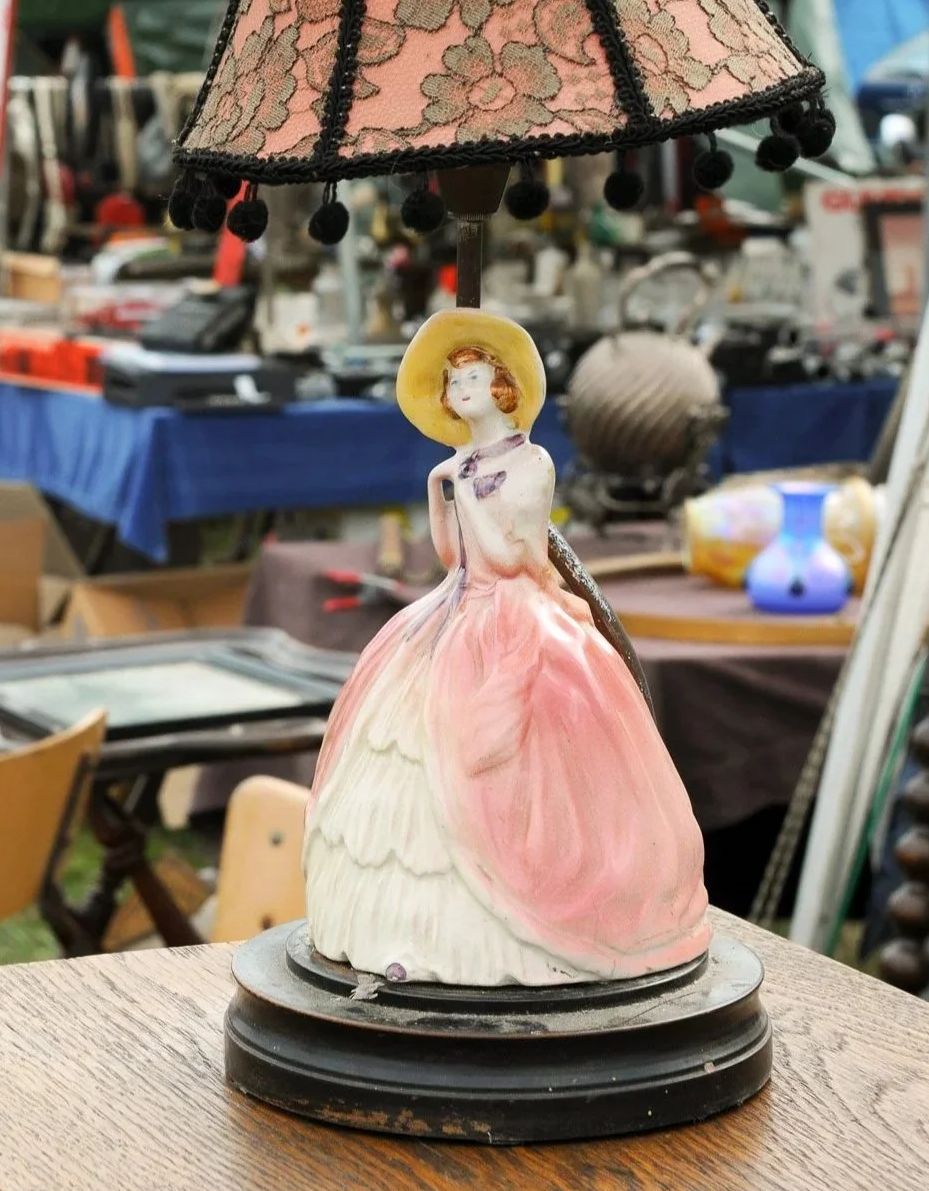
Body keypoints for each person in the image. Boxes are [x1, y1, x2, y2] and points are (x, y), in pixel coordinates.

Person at [303, 307, 710, 987]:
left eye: (471, 377)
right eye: (452, 380)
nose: (458, 389)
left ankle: (537, 921)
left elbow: (515, 554)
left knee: (516, 744)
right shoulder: (459, 466)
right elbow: (451, 555)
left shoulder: (532, 464)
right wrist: (443, 493)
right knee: (395, 718)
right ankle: (403, 929)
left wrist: (465, 492)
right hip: (457, 606)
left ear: (502, 387)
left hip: (513, 612)